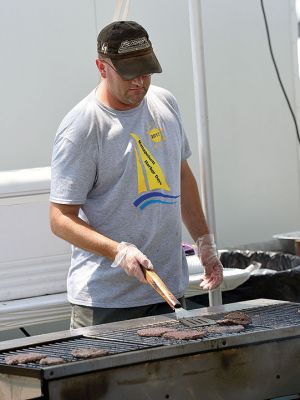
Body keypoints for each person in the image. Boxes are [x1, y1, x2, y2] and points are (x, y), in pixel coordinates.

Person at [49, 20, 223, 329]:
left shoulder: (165, 104)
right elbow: (60, 218)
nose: (139, 83)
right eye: (129, 74)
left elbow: (181, 176)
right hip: (107, 302)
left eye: (146, 72)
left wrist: (204, 242)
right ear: (102, 68)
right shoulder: (83, 127)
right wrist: (118, 251)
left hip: (167, 289)